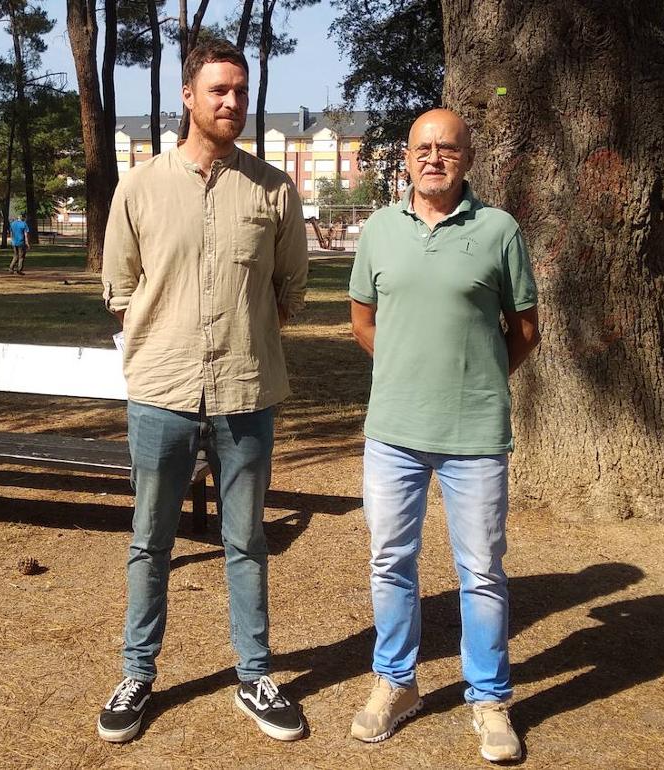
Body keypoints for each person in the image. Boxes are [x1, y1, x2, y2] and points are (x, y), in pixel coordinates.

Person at [97, 38, 309, 744]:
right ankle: (137, 674)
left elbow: (289, 293)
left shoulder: (274, 189)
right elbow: (122, 292)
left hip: (247, 394)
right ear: (187, 97)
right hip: (161, 394)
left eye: (241, 92)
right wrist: (173, 343)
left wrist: (240, 342)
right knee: (149, 538)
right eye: (219, 90)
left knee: (245, 538)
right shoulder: (141, 187)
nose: (233, 103)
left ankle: (254, 675)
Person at [346, 108, 540, 762]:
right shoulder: (378, 230)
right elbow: (364, 322)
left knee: (482, 570)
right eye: (423, 148)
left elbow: (525, 332)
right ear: (406, 158)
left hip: (475, 434)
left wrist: (476, 380)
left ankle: (489, 700)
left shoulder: (500, 231)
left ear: (468, 157)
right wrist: (408, 374)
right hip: (392, 433)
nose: (434, 157)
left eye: (448, 148)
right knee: (389, 561)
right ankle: (396, 684)